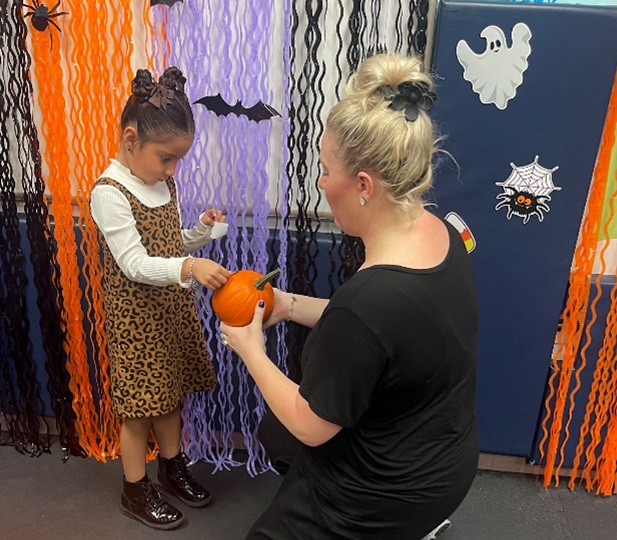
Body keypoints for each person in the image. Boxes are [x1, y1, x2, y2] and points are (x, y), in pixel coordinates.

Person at [219, 52, 479, 539]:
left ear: (363, 185)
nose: (320, 184)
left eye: (324, 170)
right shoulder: (440, 234)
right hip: (446, 458)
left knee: (289, 433)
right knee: (274, 435)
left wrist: (249, 349)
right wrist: (288, 304)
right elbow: (381, 336)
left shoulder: (372, 299)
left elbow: (311, 424)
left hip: (389, 492)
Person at [90, 66, 232, 530]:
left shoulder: (159, 183)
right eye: (166, 158)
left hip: (170, 310)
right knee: (138, 410)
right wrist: (188, 268)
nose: (172, 171)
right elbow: (134, 263)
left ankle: (171, 468)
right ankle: (135, 487)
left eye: (177, 162)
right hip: (135, 320)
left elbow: (171, 245)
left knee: (168, 397)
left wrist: (201, 232)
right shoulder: (109, 193)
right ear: (130, 139)